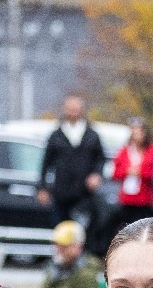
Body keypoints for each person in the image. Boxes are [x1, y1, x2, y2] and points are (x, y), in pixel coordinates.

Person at [40, 95, 106, 228]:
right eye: (70, 109)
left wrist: (96, 175)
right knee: (61, 228)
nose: (73, 112)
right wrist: (43, 188)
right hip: (61, 192)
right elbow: (46, 163)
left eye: (76, 109)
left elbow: (100, 159)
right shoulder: (56, 135)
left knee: (83, 228)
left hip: (84, 193)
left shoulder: (92, 135)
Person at [108, 117, 153, 243]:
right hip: (127, 200)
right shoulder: (124, 151)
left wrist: (141, 172)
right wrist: (127, 171)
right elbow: (115, 173)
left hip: (145, 200)